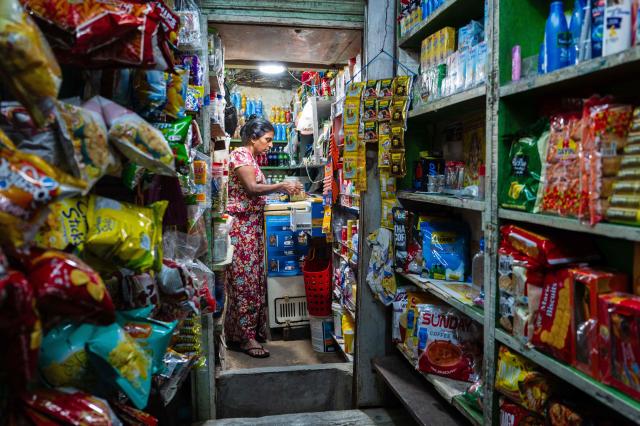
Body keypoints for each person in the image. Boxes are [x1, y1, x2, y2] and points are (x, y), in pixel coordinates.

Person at [225, 115, 302, 358]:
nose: (270, 145)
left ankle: (247, 332)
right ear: (252, 138)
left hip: (252, 227)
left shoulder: (252, 159)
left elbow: (256, 194)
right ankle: (244, 338)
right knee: (243, 282)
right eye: (267, 140)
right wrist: (282, 186)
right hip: (241, 229)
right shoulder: (240, 155)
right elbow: (251, 189)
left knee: (254, 280)